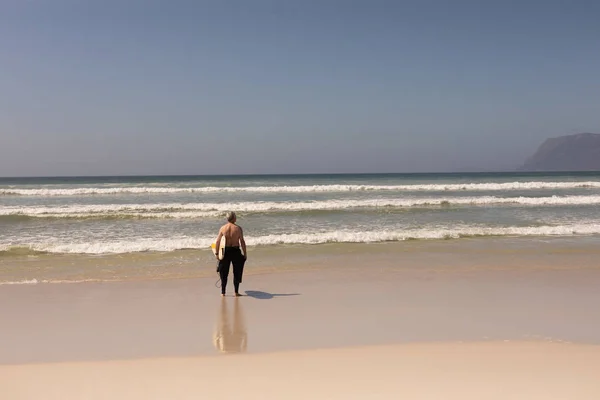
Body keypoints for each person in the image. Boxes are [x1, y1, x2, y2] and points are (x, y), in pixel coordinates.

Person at [215, 211, 247, 296]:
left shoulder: (223, 228)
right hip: (235, 251)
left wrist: (217, 253)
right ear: (234, 218)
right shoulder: (238, 228)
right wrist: (245, 253)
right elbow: (242, 241)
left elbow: (218, 241)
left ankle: (223, 293)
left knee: (224, 272)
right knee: (236, 271)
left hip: (225, 251)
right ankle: (236, 292)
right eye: (235, 216)